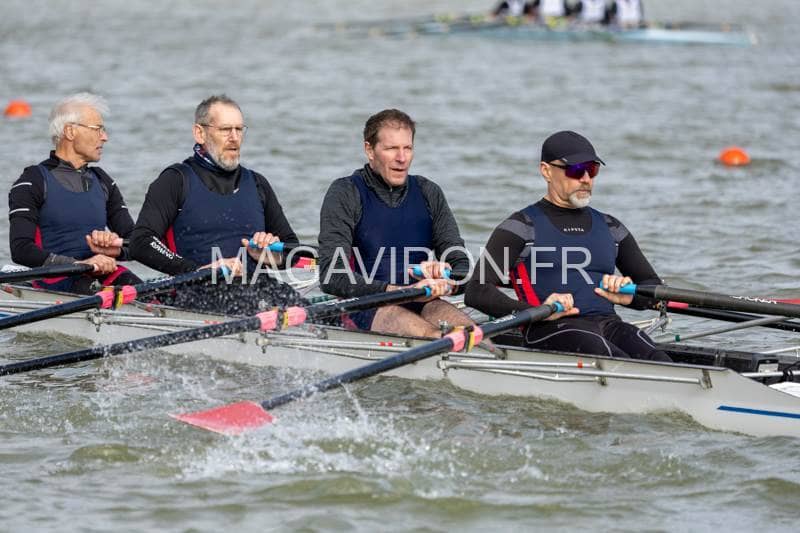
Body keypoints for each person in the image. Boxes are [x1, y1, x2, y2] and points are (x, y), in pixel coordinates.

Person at [465, 131, 671, 362]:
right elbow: (477, 290)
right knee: (610, 356)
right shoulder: (519, 227)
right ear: (546, 171)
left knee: (659, 358)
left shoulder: (612, 227)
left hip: (609, 324)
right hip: (549, 327)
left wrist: (630, 297)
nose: (585, 178)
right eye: (575, 170)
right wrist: (534, 312)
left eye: (592, 169)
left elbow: (652, 286)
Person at [129, 94, 302, 315]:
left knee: (323, 319)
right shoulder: (175, 180)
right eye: (225, 130)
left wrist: (273, 257)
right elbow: (141, 242)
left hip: (259, 288)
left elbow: (293, 249)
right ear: (199, 133)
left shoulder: (258, 184)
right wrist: (197, 270)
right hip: (199, 291)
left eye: (239, 129)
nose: (234, 138)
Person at [318, 109, 473, 338]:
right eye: (391, 148)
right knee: (435, 336)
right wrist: (402, 291)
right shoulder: (345, 193)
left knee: (475, 336)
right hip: (366, 306)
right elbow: (333, 276)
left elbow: (462, 268)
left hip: (423, 299)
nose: (402, 158)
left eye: (407, 148)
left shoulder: (429, 192)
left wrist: (446, 277)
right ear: (369, 150)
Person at [8, 92, 141, 294]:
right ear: (70, 131)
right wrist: (80, 264)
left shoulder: (103, 181)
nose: (104, 137)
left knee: (156, 295)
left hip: (100, 274)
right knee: (98, 290)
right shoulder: (32, 181)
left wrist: (116, 249)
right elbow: (21, 250)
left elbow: (137, 243)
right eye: (97, 129)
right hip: (54, 279)